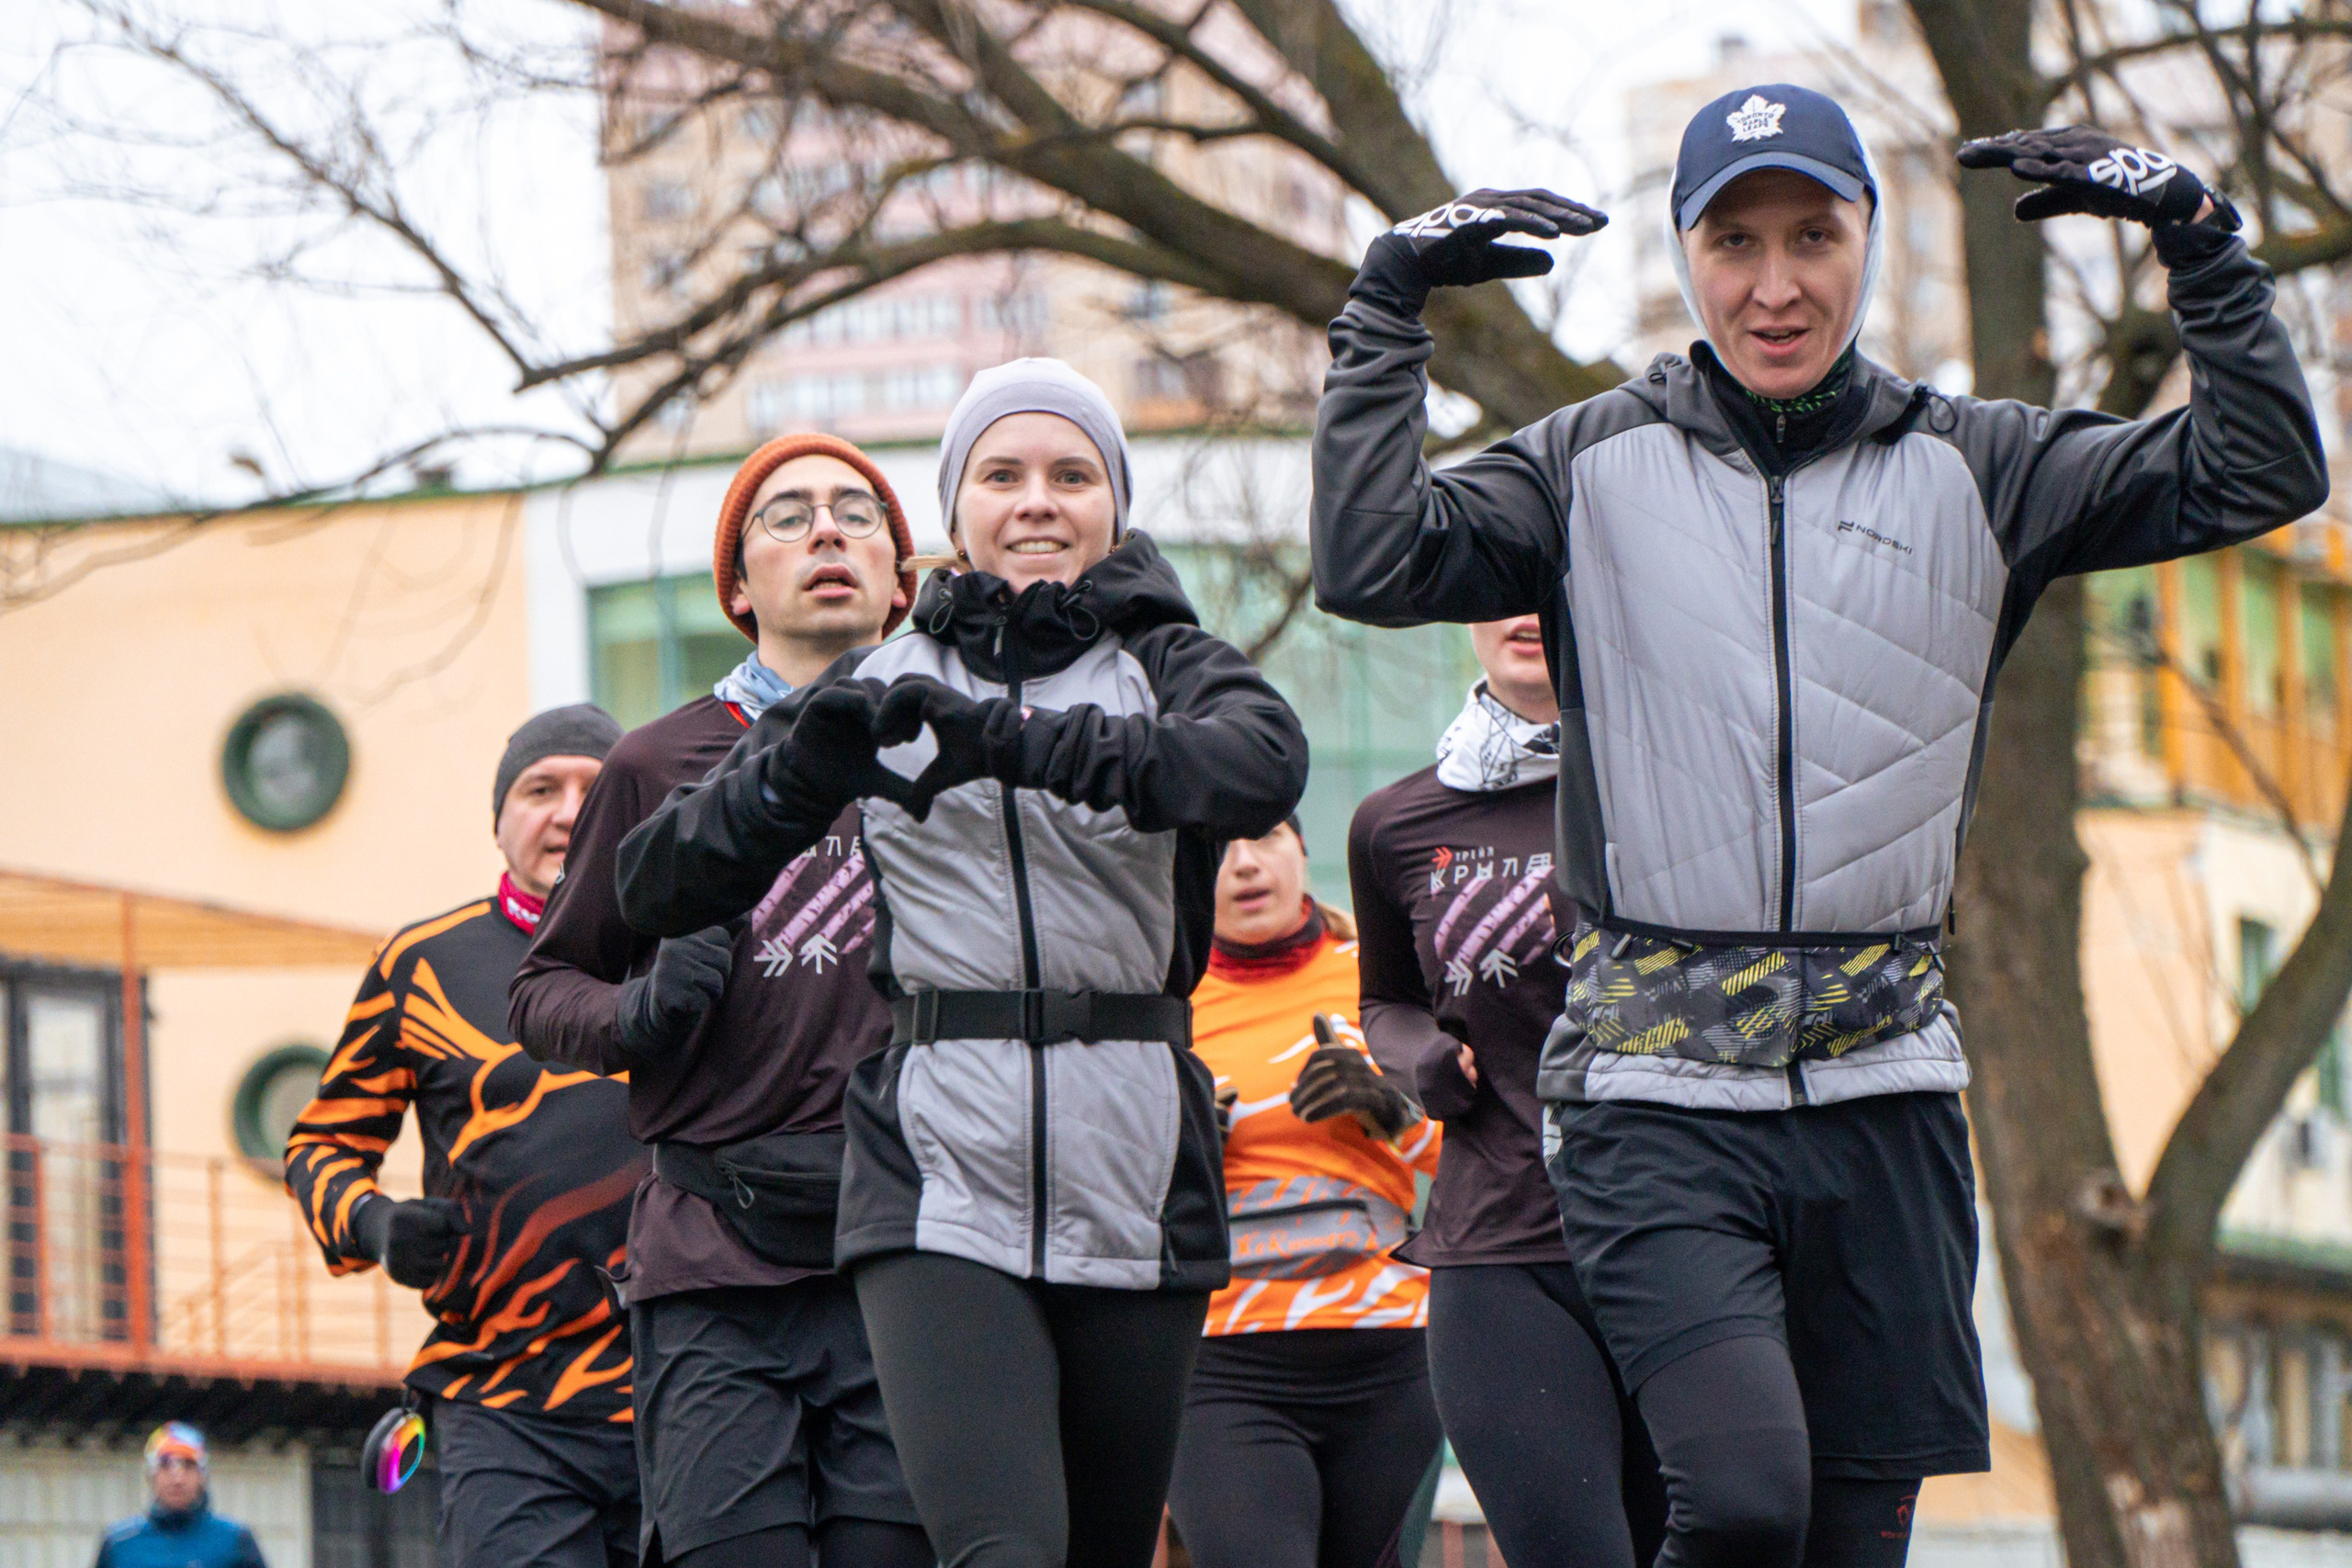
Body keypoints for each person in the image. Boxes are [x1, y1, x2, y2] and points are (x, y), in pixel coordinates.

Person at [1311, 83, 2325, 1567]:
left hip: (1886, 1102)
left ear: (1869, 239)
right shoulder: (1584, 463)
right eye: (1733, 241)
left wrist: (2206, 248)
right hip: (1656, 1100)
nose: (1773, 284)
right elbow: (1368, 551)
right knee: (1739, 1501)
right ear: (1685, 256)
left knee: (1847, 1542)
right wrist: (1384, 309)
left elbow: (2265, 467)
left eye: (1812, 235)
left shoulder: (1985, 464)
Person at [613, 357, 1310, 1568]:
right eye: (1002, 473)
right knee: (1001, 1554)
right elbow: (654, 880)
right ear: (954, 515)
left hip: (1135, 1159)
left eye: (1071, 474)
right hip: (934, 1167)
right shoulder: (882, 680)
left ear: (1113, 505)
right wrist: (791, 773)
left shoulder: (1174, 663)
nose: (1037, 499)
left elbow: (1260, 767)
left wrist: (1008, 739)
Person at [510, 433, 932, 1568]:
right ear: (739, 589)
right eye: (785, 517)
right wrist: (637, 1014)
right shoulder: (654, 764)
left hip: (910, 1250)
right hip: (714, 1263)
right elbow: (544, 988)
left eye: (857, 512)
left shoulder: (960, 747)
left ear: (903, 579)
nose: (827, 530)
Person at [285, 705, 639, 1568]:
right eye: (540, 788)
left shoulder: (699, 948)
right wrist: (376, 1224)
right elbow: (320, 1144)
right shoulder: (422, 962)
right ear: (498, 822)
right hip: (503, 1395)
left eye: (594, 789)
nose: (565, 810)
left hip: (695, 1381)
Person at [1348, 616, 1668, 1568]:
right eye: (1497, 591)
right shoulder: (1394, 823)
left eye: (1543, 586)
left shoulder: (1670, 785)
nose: (1523, 616)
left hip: (1686, 1237)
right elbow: (1385, 1002)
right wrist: (1421, 1062)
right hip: (1500, 1247)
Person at [1166, 818, 1442, 1568]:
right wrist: (1176, 1154)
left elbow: (1484, 1160)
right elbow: (1095, 1193)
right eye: (1216, 850)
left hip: (1388, 1352)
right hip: (1220, 1362)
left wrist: (1393, 1110)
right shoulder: (1162, 1004)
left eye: (1262, 836)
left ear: (1303, 848)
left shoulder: (1382, 979)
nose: (1243, 864)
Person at [96, 1426, 266, 1568]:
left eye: (188, 1466)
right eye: (166, 1466)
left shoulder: (235, 1541)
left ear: (202, 1476)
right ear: (151, 1476)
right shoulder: (119, 1543)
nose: (177, 1478)